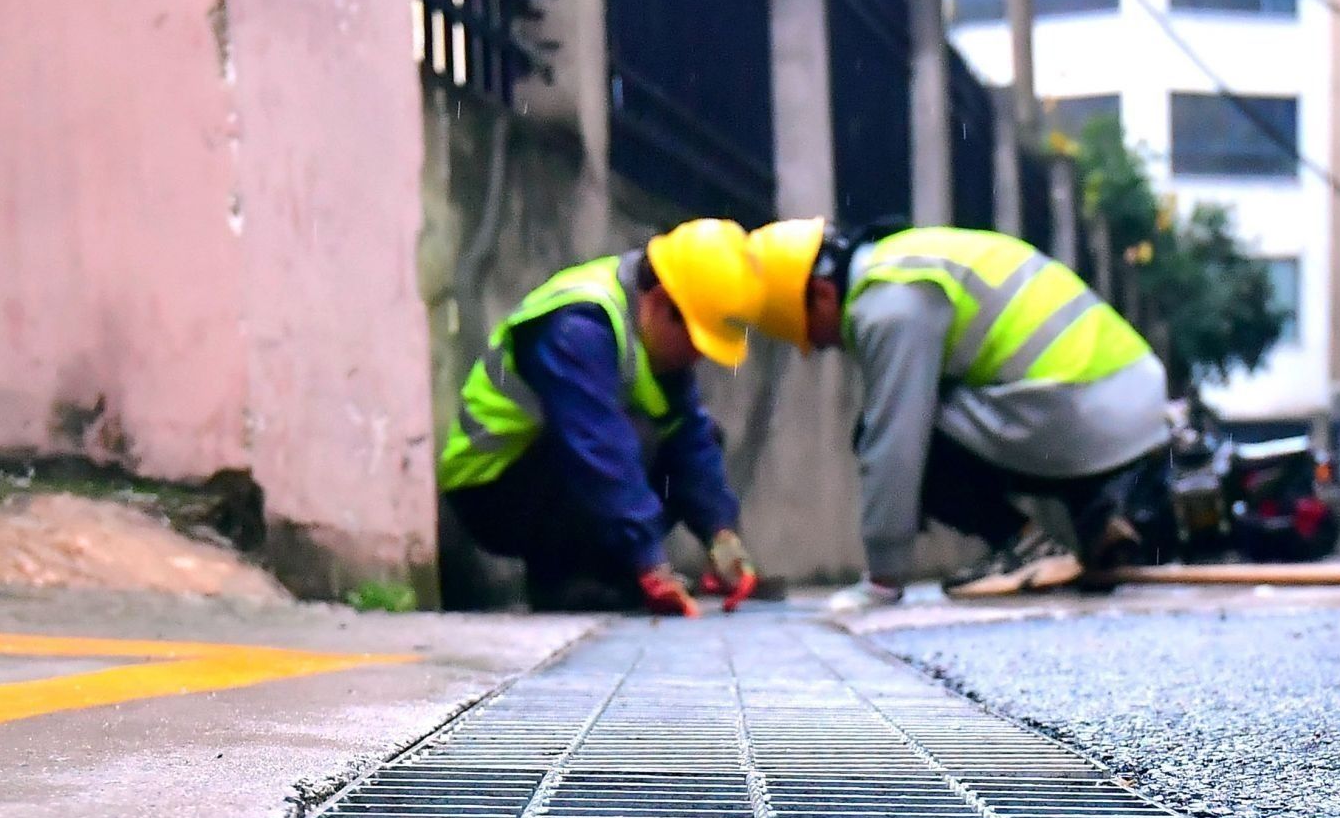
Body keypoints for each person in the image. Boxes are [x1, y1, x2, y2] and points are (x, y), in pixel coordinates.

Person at [747, 218, 1176, 607]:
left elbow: (895, 441)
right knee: (981, 387)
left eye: (812, 337)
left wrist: (882, 578)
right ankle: (1101, 515)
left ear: (822, 294)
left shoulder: (888, 304)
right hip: (1135, 407)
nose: (823, 349)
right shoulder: (913, 255)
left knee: (888, 429)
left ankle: (1026, 546)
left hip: (1072, 413)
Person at [439, 220, 764, 616]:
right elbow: (596, 444)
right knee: (626, 439)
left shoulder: (652, 340)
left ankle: (605, 579)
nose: (698, 358)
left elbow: (691, 440)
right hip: (490, 489)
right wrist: (650, 561)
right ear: (661, 302)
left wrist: (722, 536)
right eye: (696, 342)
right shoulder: (579, 324)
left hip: (550, 476)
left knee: (698, 434)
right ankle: (565, 581)